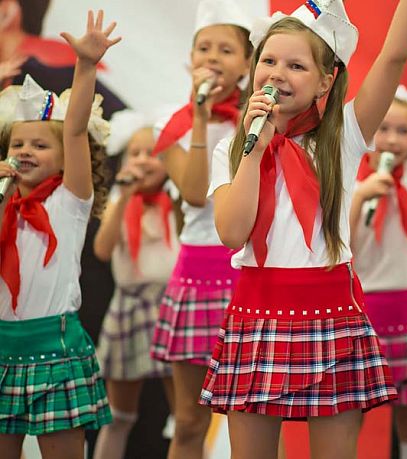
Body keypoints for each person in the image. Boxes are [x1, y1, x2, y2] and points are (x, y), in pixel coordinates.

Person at [200, 0, 407, 457]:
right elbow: (232, 233)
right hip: (257, 315)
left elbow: (394, 57)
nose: (277, 73)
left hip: (330, 315)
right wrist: (253, 149)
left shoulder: (343, 135)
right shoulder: (232, 146)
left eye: (296, 65)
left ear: (326, 80)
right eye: (268, 60)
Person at [0, 10, 119, 459]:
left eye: (39, 144)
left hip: (56, 349)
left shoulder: (69, 200)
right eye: (17, 144)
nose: (26, 151)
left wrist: (85, 65)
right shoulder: (4, 201)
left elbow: (75, 128)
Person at [147, 1, 252, 458]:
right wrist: (200, 117)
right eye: (204, 48)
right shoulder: (171, 122)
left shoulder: (262, 121)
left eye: (226, 50)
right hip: (197, 276)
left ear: (247, 63)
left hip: (249, 272)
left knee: (257, 416)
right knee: (190, 420)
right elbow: (193, 193)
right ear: (190, 59)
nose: (212, 57)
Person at [349, 86, 407, 459]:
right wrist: (361, 197)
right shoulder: (351, 187)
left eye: (403, 131)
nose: (391, 140)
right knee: (348, 418)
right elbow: (340, 248)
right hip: (365, 315)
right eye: (383, 129)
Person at [92, 110, 179, 459]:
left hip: (172, 308)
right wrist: (125, 197)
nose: (143, 160)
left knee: (185, 414)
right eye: (135, 153)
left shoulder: (179, 204)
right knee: (118, 415)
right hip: (129, 307)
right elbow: (102, 250)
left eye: (153, 153)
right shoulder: (117, 202)